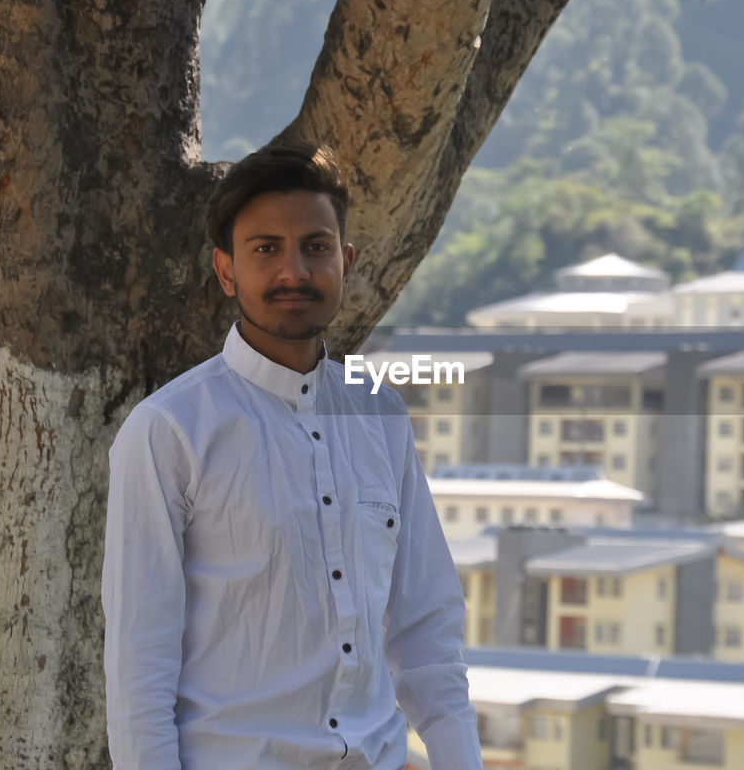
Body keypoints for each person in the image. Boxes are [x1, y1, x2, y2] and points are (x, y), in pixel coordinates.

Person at [102, 143, 481, 770]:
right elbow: (139, 670)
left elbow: (427, 633)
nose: (294, 271)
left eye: (315, 247)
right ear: (225, 271)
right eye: (265, 248)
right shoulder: (170, 431)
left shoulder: (381, 417)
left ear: (346, 261)